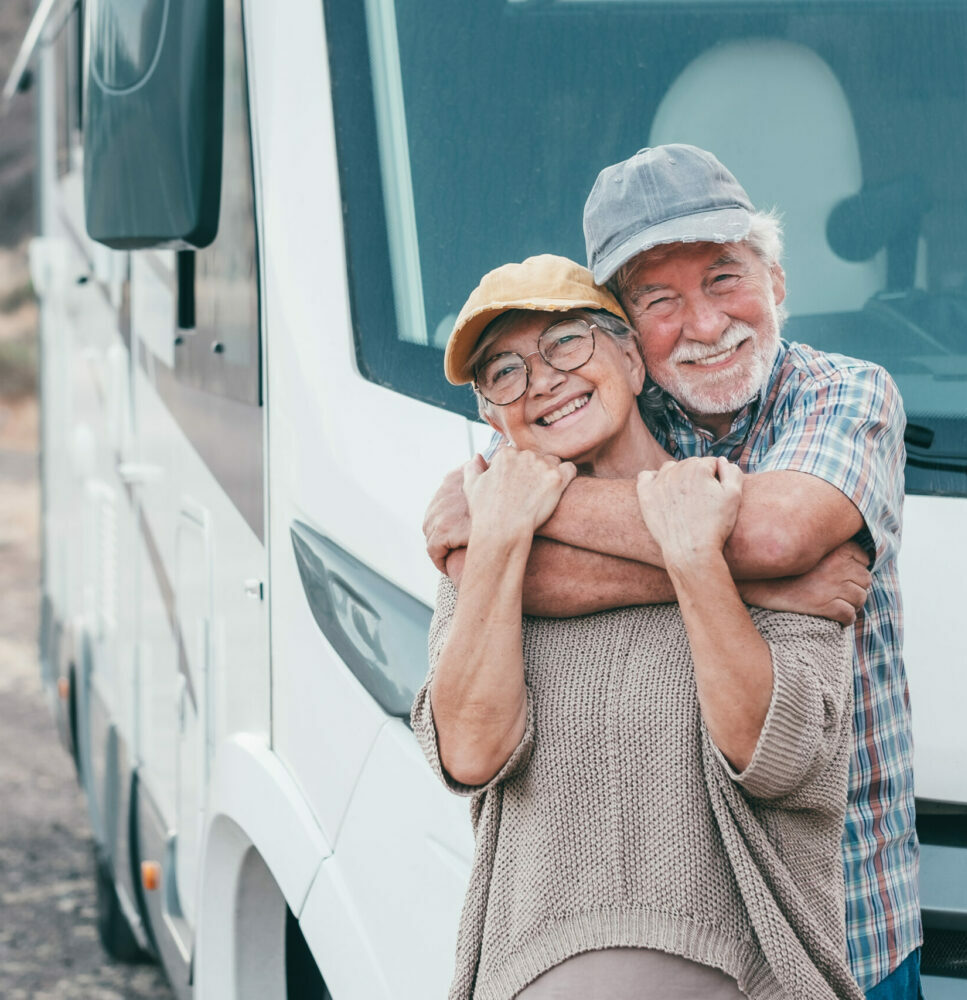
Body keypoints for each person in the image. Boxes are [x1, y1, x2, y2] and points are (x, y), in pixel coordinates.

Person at [423, 146, 919, 999]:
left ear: (777, 284)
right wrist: (731, 575)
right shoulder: (580, 420)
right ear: (629, 335)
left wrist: (514, 516)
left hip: (847, 917)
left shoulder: (842, 395)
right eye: (660, 300)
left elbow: (774, 537)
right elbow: (483, 575)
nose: (701, 323)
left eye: (725, 278)